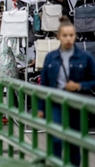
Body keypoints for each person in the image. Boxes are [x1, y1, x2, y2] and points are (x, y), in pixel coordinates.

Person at [38, 17, 95, 166]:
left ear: (75, 36)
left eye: (71, 35)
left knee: (74, 143)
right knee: (56, 139)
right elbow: (43, 84)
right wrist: (40, 108)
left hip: (77, 103)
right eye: (65, 35)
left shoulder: (85, 57)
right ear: (59, 36)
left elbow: (93, 80)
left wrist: (79, 86)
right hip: (56, 101)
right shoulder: (51, 57)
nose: (68, 39)